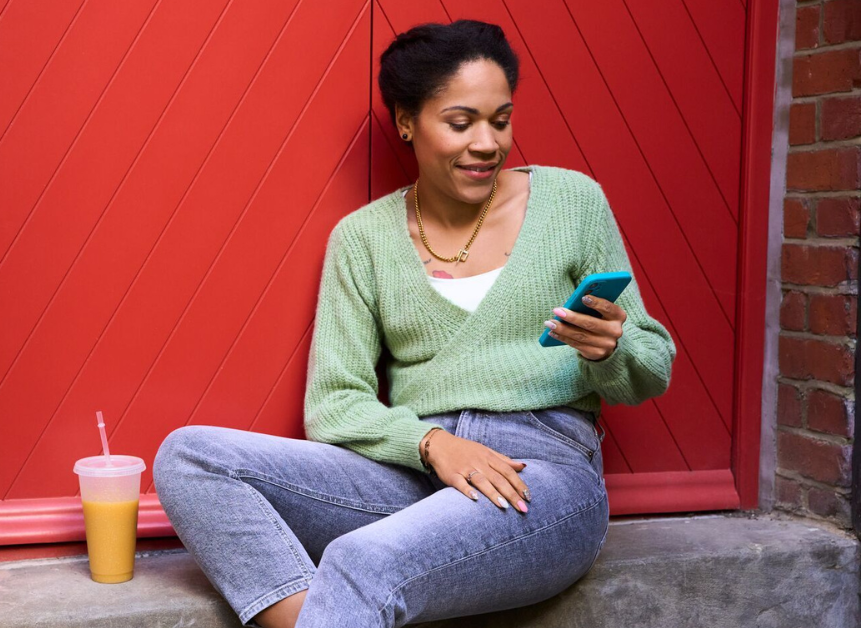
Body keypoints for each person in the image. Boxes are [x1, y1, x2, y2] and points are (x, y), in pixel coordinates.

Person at [153, 18, 676, 628]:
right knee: (190, 457)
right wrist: (431, 445)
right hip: (413, 472)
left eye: (501, 120)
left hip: (540, 476)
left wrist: (611, 348)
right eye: (461, 123)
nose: (487, 142)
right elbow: (335, 405)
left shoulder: (572, 203)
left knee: (362, 562)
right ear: (406, 120)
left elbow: (653, 364)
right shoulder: (363, 240)